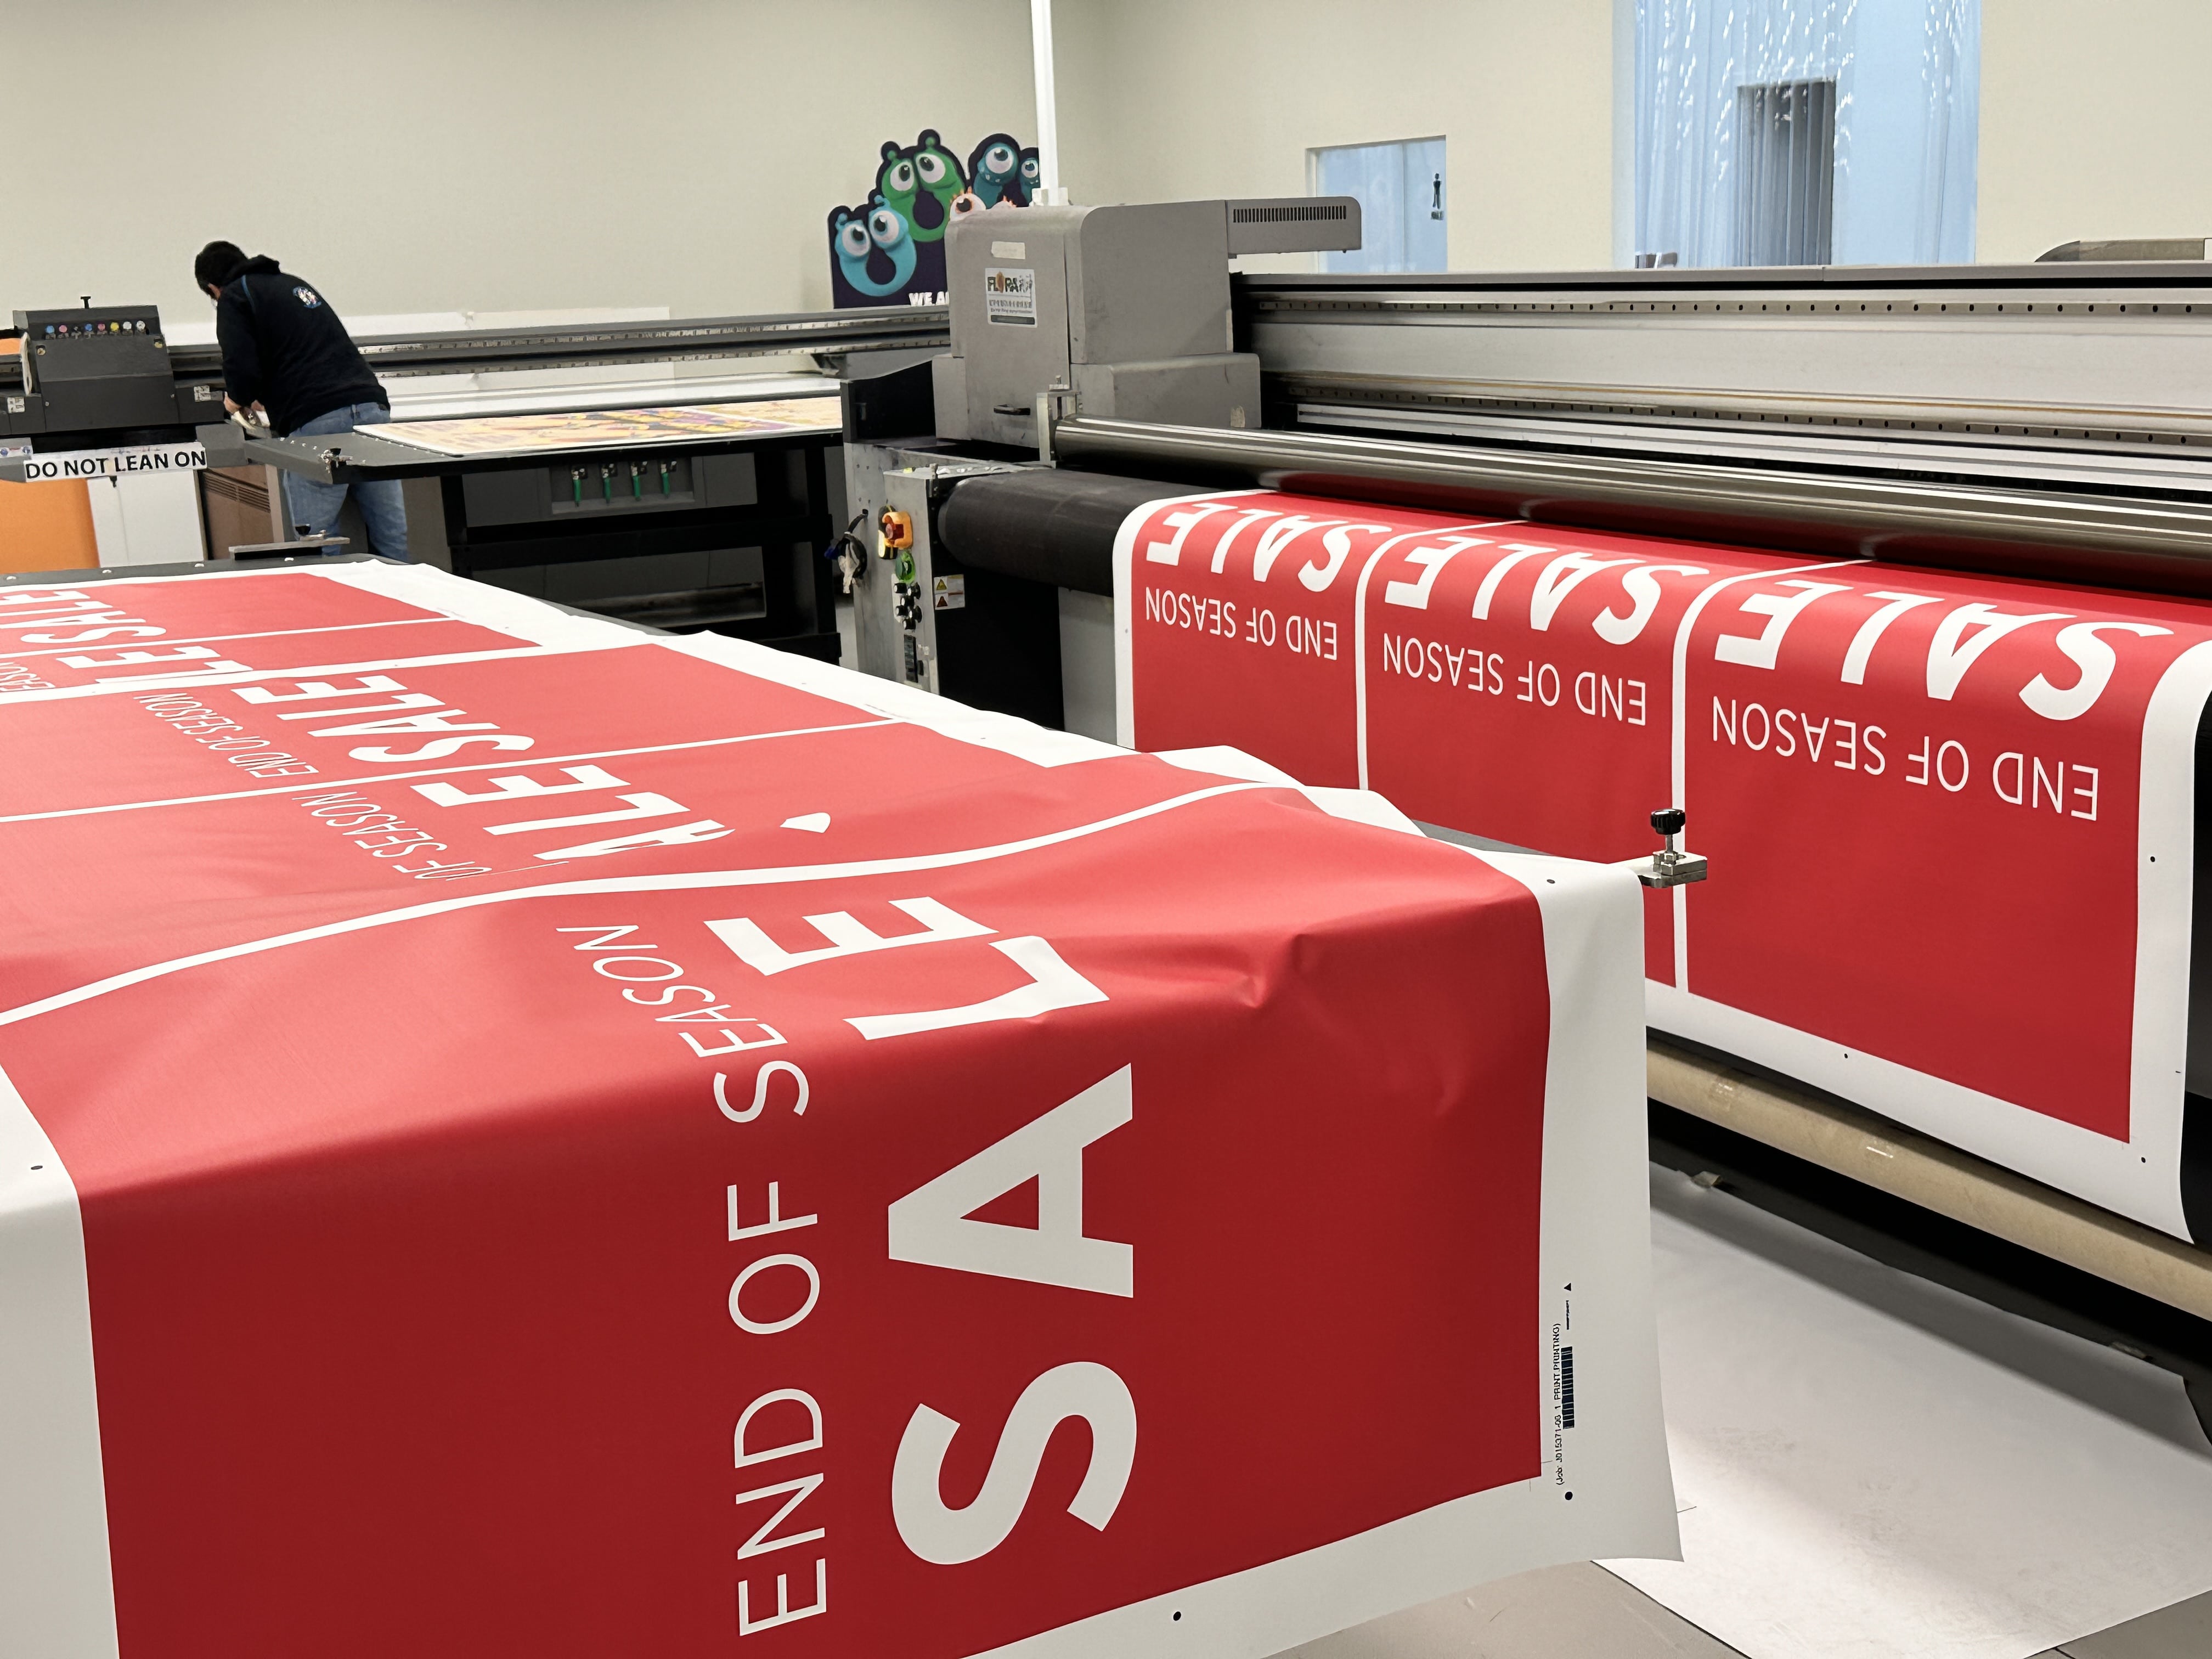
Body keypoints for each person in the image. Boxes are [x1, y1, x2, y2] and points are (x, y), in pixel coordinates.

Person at [194, 240, 409, 559]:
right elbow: (304, 352)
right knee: (391, 533)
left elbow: (241, 368)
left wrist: (233, 402)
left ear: (213, 289)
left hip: (319, 422)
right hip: (371, 408)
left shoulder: (235, 296)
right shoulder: (292, 285)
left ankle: (330, 592)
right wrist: (268, 396)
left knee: (317, 541)